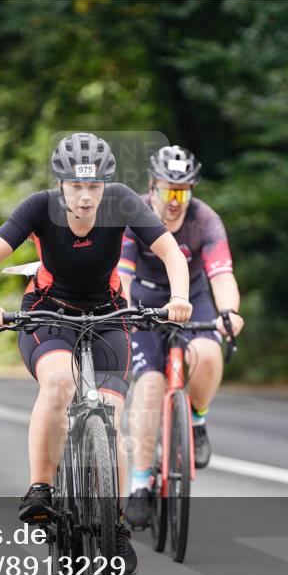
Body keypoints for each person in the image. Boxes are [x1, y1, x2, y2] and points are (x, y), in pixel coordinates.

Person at [0, 133, 192, 575]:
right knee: (58, 384)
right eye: (76, 186)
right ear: (61, 185)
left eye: (94, 187)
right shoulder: (38, 207)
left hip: (109, 313)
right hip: (49, 312)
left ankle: (115, 526)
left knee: (110, 414)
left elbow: (170, 251)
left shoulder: (122, 201)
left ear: (105, 185)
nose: (86, 197)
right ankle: (41, 488)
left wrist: (181, 297)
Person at [117, 145, 244, 527]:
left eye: (183, 192)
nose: (175, 202)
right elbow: (120, 274)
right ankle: (140, 482)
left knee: (208, 354)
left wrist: (230, 313)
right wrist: (121, 311)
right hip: (143, 300)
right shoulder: (132, 216)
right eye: (168, 191)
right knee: (151, 386)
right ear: (151, 186)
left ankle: (198, 421)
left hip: (193, 298)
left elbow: (222, 275)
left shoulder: (205, 220)